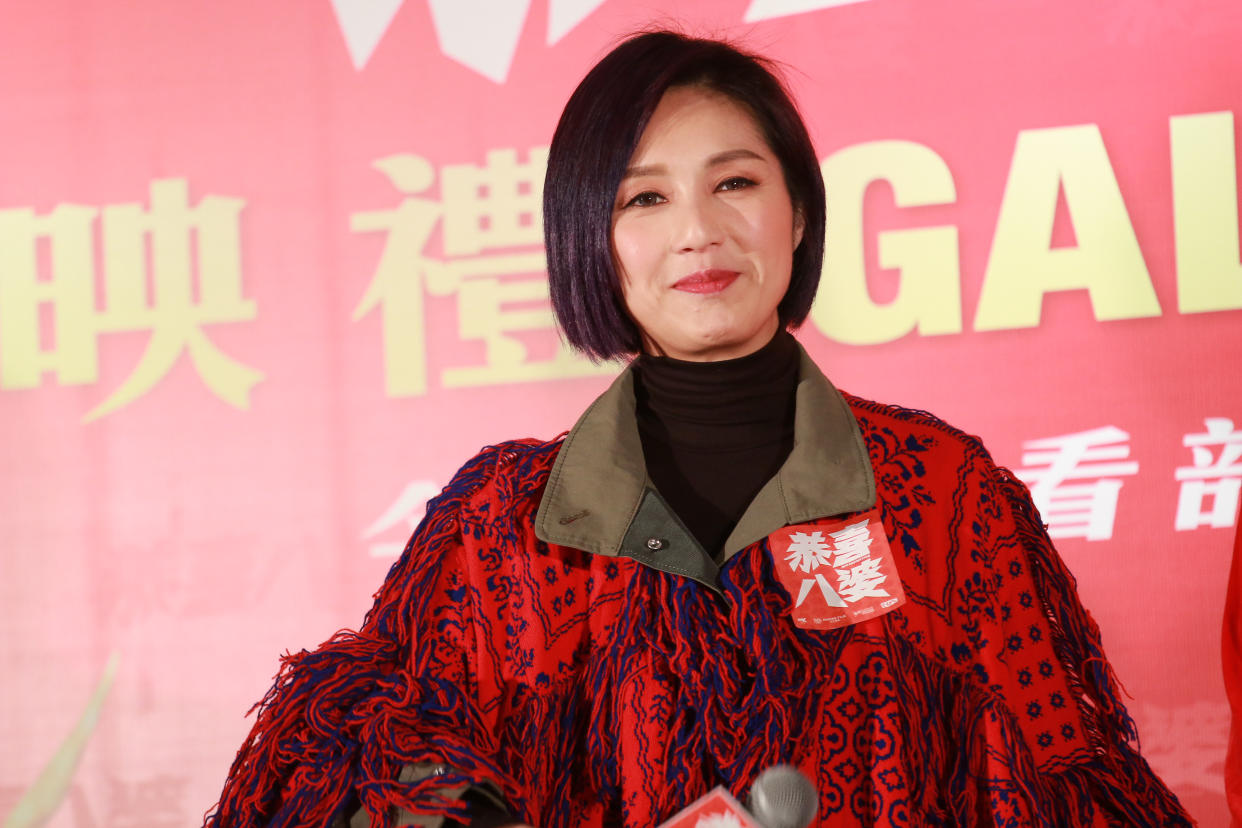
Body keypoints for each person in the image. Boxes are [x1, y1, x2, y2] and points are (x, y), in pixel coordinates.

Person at [206, 31, 1193, 828]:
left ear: (798, 211)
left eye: (735, 182)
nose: (697, 230)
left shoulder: (941, 491)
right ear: (591, 243)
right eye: (645, 196)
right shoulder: (502, 528)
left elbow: (1067, 782)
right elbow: (366, 762)